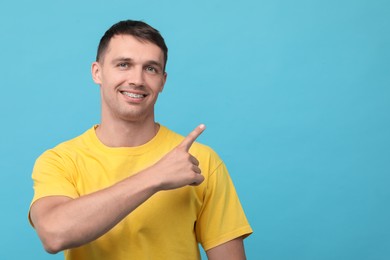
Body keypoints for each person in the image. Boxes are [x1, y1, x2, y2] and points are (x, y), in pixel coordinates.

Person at [29, 20, 252, 260]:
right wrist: (156, 176)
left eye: (151, 68)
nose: (137, 79)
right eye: (124, 64)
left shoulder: (199, 160)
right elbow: (54, 235)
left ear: (163, 81)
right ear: (97, 72)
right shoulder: (61, 160)